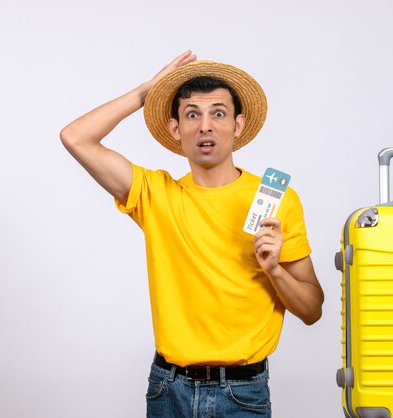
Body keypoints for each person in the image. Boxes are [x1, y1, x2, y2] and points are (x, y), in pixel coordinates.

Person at [60, 50, 324, 418]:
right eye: (191, 115)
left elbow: (312, 310)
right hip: (168, 391)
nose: (205, 126)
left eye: (218, 113)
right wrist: (147, 92)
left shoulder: (276, 200)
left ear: (238, 124)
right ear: (175, 129)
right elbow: (75, 137)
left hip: (242, 395)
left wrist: (275, 269)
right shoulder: (156, 195)